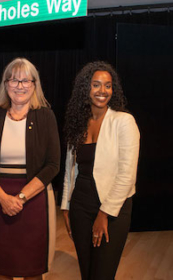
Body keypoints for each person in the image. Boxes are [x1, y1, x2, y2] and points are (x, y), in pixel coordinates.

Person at [0, 58, 60, 280]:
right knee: (2, 268)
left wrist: (20, 198)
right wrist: (3, 198)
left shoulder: (45, 116)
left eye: (25, 80)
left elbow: (53, 164)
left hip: (34, 200)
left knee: (32, 269)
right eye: (14, 80)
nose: (20, 85)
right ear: (5, 85)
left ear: (35, 85)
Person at [61, 61, 140, 280]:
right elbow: (70, 170)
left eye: (107, 85)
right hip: (80, 206)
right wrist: (66, 207)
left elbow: (127, 175)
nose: (102, 91)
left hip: (113, 209)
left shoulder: (124, 122)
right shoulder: (78, 124)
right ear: (86, 88)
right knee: (87, 273)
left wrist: (104, 214)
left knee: (102, 274)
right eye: (96, 85)